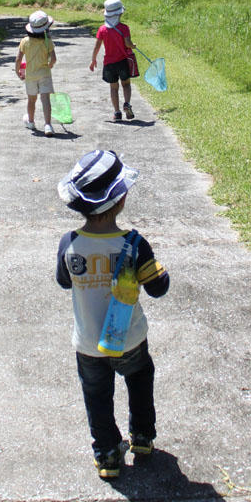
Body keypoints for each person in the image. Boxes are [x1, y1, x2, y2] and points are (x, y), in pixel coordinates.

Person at [56, 149, 170, 479]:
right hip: (130, 338)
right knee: (139, 381)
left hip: (89, 343)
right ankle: (143, 437)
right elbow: (157, 288)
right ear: (119, 201)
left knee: (97, 398)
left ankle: (107, 454)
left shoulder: (69, 243)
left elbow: (64, 282)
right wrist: (160, 273)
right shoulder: (135, 244)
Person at [89, 0, 136, 122]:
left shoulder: (102, 29)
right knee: (126, 84)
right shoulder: (124, 28)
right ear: (120, 13)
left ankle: (117, 112)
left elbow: (97, 46)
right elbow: (127, 43)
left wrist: (93, 60)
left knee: (113, 87)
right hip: (122, 61)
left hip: (109, 64)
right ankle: (127, 103)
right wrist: (133, 45)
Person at [15, 10, 57, 136]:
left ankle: (31, 121)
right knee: (45, 99)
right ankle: (48, 124)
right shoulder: (48, 41)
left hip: (30, 76)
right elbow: (53, 59)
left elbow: (18, 59)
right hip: (44, 73)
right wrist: (49, 65)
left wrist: (18, 71)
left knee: (31, 100)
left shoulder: (24, 41)